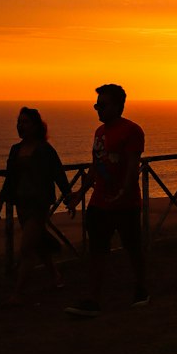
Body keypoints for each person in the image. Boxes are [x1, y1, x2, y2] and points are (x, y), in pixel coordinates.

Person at [65, 84, 148, 317]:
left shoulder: (132, 131)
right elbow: (96, 165)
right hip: (99, 202)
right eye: (96, 105)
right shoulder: (99, 132)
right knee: (97, 251)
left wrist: (124, 190)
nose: (98, 109)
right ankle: (93, 299)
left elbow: (133, 164)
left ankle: (141, 288)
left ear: (118, 106)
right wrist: (80, 193)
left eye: (102, 105)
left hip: (126, 204)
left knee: (133, 248)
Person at [0, 107, 76, 302]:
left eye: (25, 122)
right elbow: (10, 178)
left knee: (26, 249)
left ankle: (17, 293)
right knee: (38, 244)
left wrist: (69, 198)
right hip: (21, 203)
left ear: (35, 125)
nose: (21, 126)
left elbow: (58, 173)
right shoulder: (16, 149)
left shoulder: (44, 150)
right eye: (19, 122)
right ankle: (56, 276)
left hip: (39, 204)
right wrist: (0, 202)